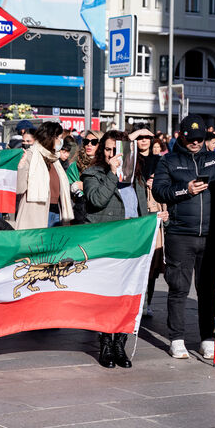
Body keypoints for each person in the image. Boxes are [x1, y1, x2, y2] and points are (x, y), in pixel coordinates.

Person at [152, 116, 215, 360]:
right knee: (178, 288)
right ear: (181, 136)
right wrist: (184, 190)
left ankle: (207, 337)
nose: (196, 143)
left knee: (207, 290)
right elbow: (159, 191)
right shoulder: (169, 160)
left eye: (200, 139)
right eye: (191, 139)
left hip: (211, 234)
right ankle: (177, 339)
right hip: (180, 234)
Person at [81, 130, 141, 368]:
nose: (112, 154)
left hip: (131, 244)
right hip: (106, 244)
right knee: (107, 296)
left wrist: (157, 218)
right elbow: (96, 200)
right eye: (108, 149)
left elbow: (140, 208)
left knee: (127, 296)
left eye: (117, 150)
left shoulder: (134, 175)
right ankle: (106, 344)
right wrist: (112, 174)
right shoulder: (93, 174)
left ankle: (120, 345)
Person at [15, 121, 74, 229]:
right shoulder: (31, 155)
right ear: (51, 138)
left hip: (56, 211)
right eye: (59, 138)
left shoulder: (54, 158)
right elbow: (20, 188)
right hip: (36, 212)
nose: (61, 141)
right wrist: (21, 166)